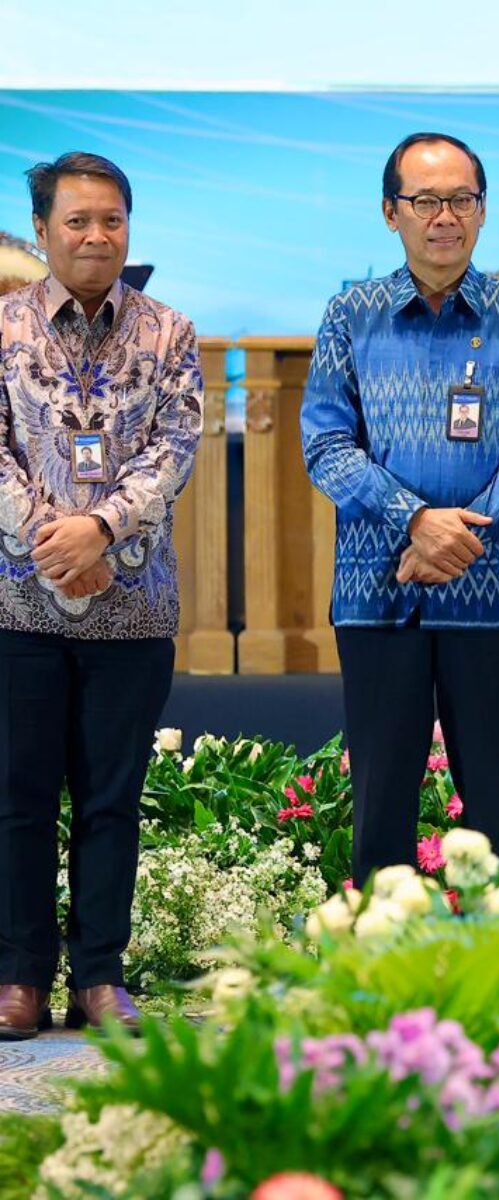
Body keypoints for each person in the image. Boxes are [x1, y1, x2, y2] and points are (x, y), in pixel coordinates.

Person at [301, 132, 499, 889]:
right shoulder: (351, 316)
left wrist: (461, 532)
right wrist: (417, 522)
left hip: (494, 592)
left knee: (495, 807)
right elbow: (326, 445)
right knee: (380, 800)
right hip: (379, 588)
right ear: (391, 212)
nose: (444, 216)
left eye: (461, 199)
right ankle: (378, 954)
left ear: (482, 210)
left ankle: (497, 953)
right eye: (425, 201)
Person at [0, 152, 203, 1040]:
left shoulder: (170, 333)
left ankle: (99, 977)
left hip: (133, 604)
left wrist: (100, 531)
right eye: (77, 221)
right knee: (18, 798)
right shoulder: (4, 328)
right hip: (17, 604)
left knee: (111, 800)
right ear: (42, 229)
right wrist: (54, 542)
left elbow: (175, 450)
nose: (95, 236)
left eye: (111, 220)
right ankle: (18, 976)